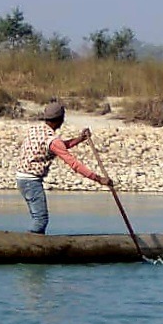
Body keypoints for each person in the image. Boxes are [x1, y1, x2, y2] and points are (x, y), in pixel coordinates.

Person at [14, 99, 113, 233]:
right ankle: (29, 246)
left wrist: (80, 139)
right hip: (30, 181)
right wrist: (99, 179)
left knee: (37, 217)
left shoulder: (36, 130)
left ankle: (37, 244)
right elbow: (74, 164)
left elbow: (60, 146)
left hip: (21, 179)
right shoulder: (52, 140)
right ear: (60, 120)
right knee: (41, 219)